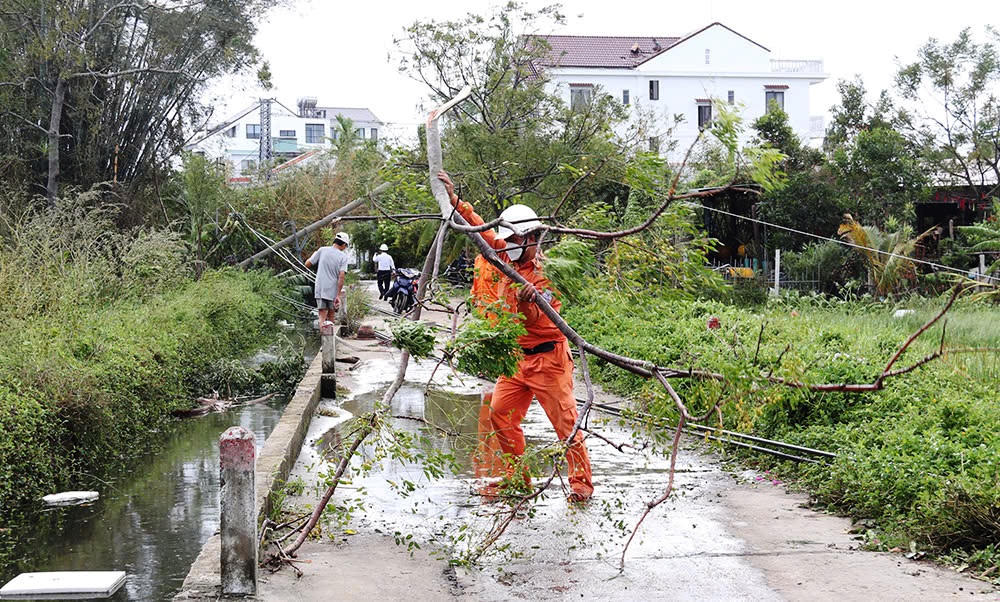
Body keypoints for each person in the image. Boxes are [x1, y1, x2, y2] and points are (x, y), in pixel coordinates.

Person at [437, 171, 594, 503]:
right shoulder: (504, 250)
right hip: (515, 359)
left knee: (565, 423)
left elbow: (546, 322)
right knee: (500, 413)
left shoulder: (547, 276)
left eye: (515, 241)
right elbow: (481, 230)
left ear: (531, 238)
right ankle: (516, 479)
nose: (506, 246)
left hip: (548, 359)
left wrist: (528, 305)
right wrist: (453, 200)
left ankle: (581, 484)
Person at [305, 231, 351, 328]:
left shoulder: (322, 250)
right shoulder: (343, 257)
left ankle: (324, 339)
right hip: (333, 291)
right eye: (345, 246)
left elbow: (307, 264)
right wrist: (338, 295)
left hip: (320, 288)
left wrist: (314, 255)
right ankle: (331, 341)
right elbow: (341, 276)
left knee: (322, 316)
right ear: (343, 244)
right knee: (331, 316)